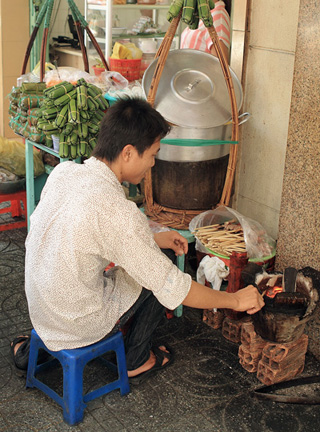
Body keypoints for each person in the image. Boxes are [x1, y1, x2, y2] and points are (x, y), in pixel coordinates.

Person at [11, 98, 264, 384]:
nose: (153, 163)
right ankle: (137, 359)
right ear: (129, 153)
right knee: (165, 268)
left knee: (145, 259)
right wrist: (235, 300)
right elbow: (175, 289)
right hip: (78, 323)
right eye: (153, 154)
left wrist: (153, 238)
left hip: (43, 310)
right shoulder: (117, 211)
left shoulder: (65, 173)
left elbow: (92, 234)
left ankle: (35, 348)